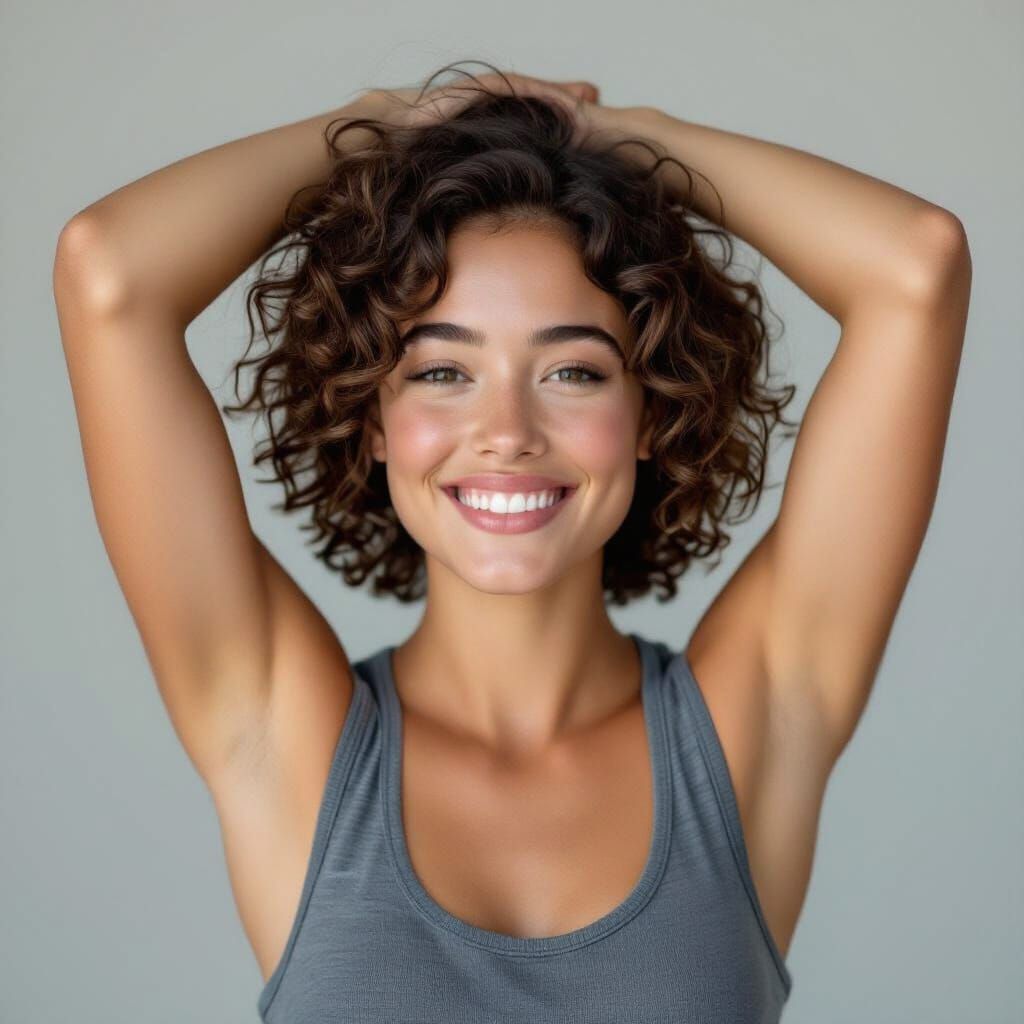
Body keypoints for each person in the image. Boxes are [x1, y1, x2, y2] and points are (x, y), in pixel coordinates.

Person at [52, 61, 971, 1022]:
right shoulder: (281, 731)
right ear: (372, 419)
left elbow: (918, 266)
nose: (507, 430)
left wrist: (619, 136)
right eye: (444, 372)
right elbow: (108, 272)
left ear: (651, 411)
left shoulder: (755, 725)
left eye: (572, 371)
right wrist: (384, 124)